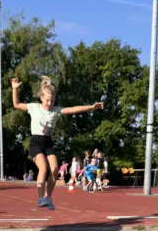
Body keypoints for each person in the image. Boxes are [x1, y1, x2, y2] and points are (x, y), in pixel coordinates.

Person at [11, 76, 103, 209]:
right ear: (41, 97)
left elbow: (74, 109)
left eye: (52, 101)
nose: (50, 103)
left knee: (54, 169)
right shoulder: (34, 107)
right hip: (36, 142)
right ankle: (40, 198)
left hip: (48, 143)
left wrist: (91, 107)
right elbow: (16, 104)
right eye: (47, 100)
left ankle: (48, 198)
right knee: (43, 168)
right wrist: (15, 89)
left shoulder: (56, 111)